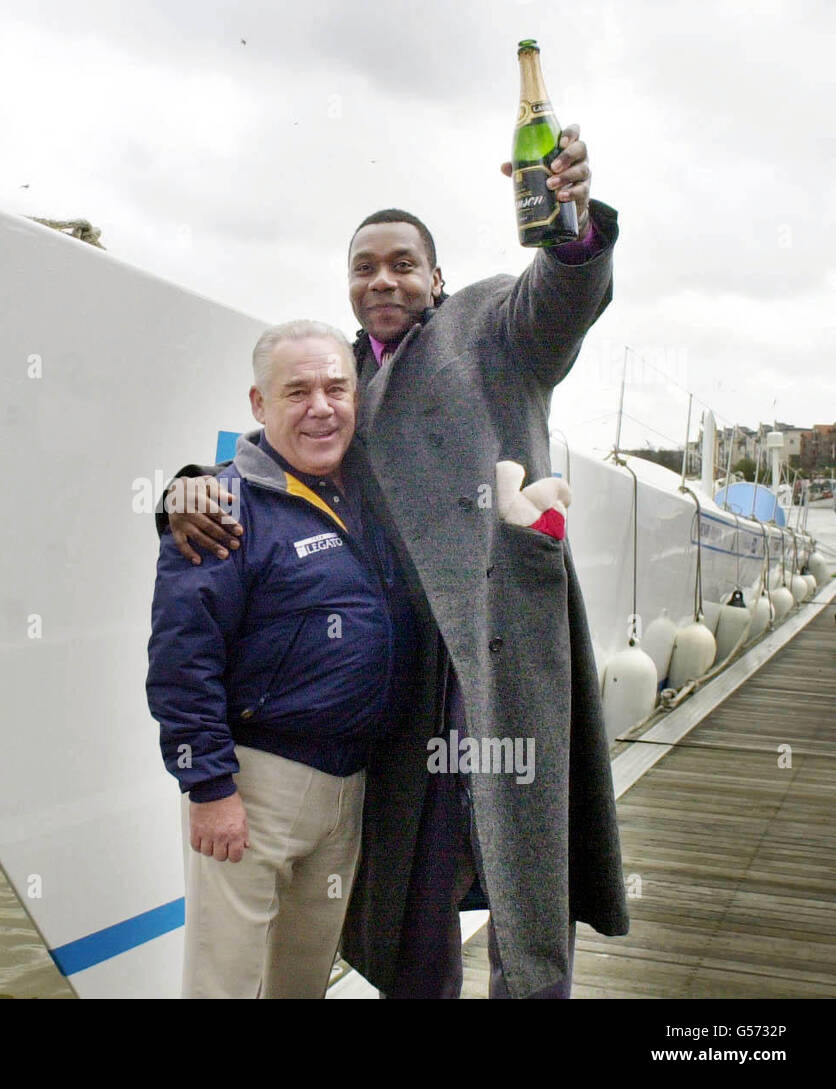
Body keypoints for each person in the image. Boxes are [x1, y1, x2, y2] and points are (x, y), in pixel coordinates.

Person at [159, 127, 629, 998]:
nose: (384, 280)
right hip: (406, 680)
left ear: (436, 277)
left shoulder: (489, 326)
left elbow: (562, 299)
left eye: (404, 264)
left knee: (526, 880)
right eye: (366, 267)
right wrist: (189, 487)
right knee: (414, 895)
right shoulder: (345, 382)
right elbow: (278, 467)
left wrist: (569, 230)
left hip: (496, 656)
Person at [146, 320, 414, 998]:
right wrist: (208, 787)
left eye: (335, 388)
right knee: (225, 981)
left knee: (302, 982)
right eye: (296, 392)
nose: (320, 407)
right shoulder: (219, 507)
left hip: (347, 785)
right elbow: (183, 658)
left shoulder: (371, 493)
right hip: (253, 787)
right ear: (259, 405)